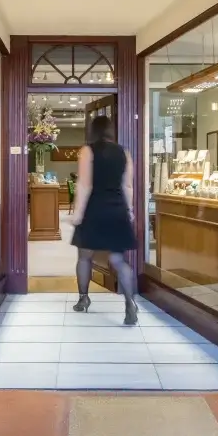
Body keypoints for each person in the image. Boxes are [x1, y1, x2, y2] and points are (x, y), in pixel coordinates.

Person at [70, 115, 138, 324]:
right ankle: (130, 303)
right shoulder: (124, 152)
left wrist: (78, 214)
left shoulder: (87, 151)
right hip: (117, 209)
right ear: (110, 130)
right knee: (118, 260)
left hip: (94, 209)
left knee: (84, 257)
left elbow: (84, 185)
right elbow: (127, 186)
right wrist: (130, 210)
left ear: (93, 131)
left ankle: (84, 299)